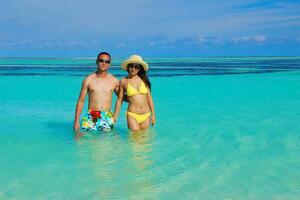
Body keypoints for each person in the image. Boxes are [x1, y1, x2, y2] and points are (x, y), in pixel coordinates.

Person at [73, 52, 119, 132]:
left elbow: (122, 98)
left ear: (110, 64)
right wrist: (76, 120)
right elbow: (81, 101)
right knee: (84, 141)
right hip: (91, 115)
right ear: (97, 61)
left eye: (107, 61)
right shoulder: (88, 80)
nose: (104, 63)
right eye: (101, 60)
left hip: (107, 116)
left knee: (107, 143)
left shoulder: (114, 81)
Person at [113, 55, 155, 132]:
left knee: (144, 140)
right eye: (131, 66)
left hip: (146, 114)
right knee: (134, 140)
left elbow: (149, 99)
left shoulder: (144, 80)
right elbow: (119, 100)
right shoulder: (123, 81)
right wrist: (115, 117)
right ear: (128, 67)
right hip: (132, 115)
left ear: (140, 68)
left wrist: (153, 115)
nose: (133, 68)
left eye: (136, 67)